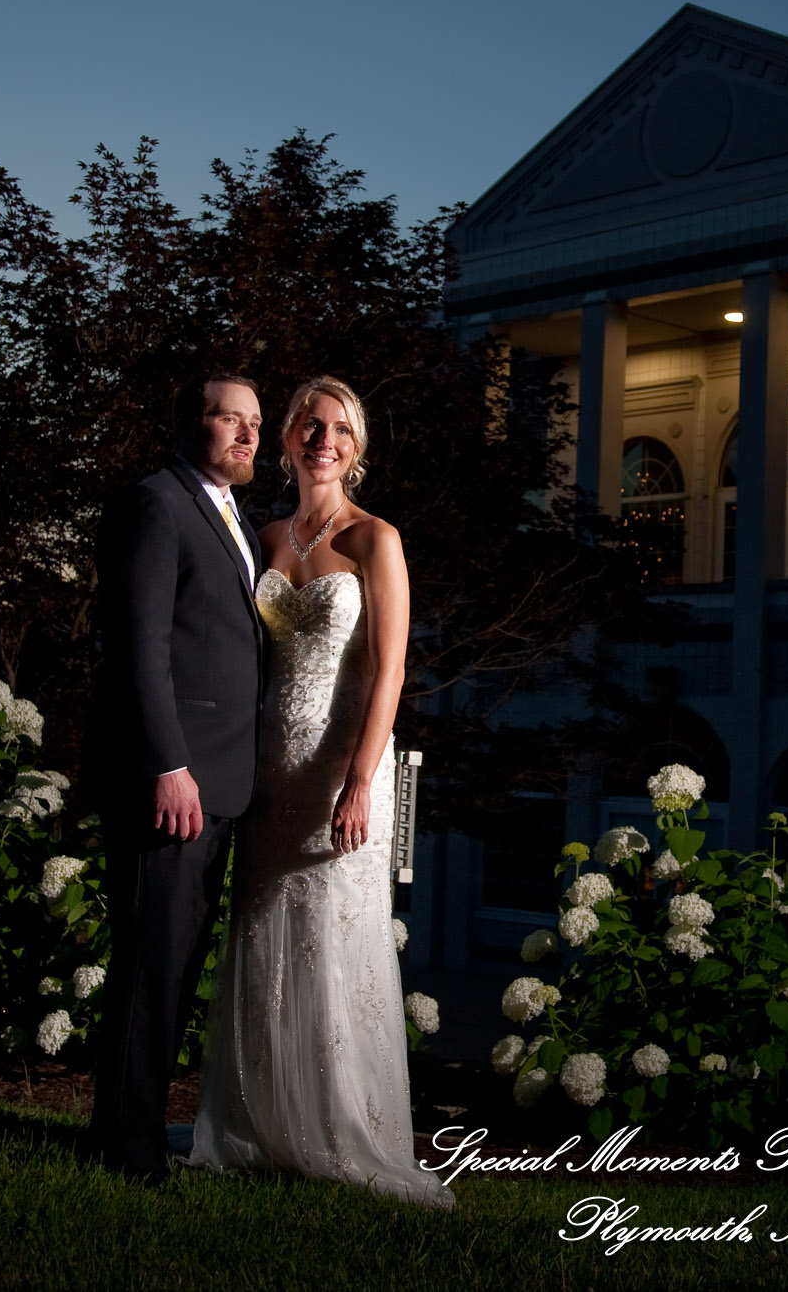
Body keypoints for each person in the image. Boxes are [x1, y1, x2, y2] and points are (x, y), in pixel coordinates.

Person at [187, 376, 454, 1209]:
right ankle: (259, 1125)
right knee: (265, 940)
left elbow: (391, 671)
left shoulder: (377, 539)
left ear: (356, 447)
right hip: (265, 771)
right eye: (309, 424)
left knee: (332, 942)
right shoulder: (264, 535)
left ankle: (339, 1132)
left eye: (338, 428)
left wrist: (361, 781)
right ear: (287, 438)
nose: (322, 440)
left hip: (338, 772)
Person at [89, 373, 266, 1181]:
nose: (248, 434)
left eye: (254, 421)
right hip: (173, 782)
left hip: (222, 781)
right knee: (151, 965)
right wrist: (168, 764)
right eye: (230, 418)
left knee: (177, 964)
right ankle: (126, 1150)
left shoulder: (235, 518)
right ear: (189, 422)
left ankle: (135, 1131)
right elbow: (139, 646)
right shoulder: (156, 504)